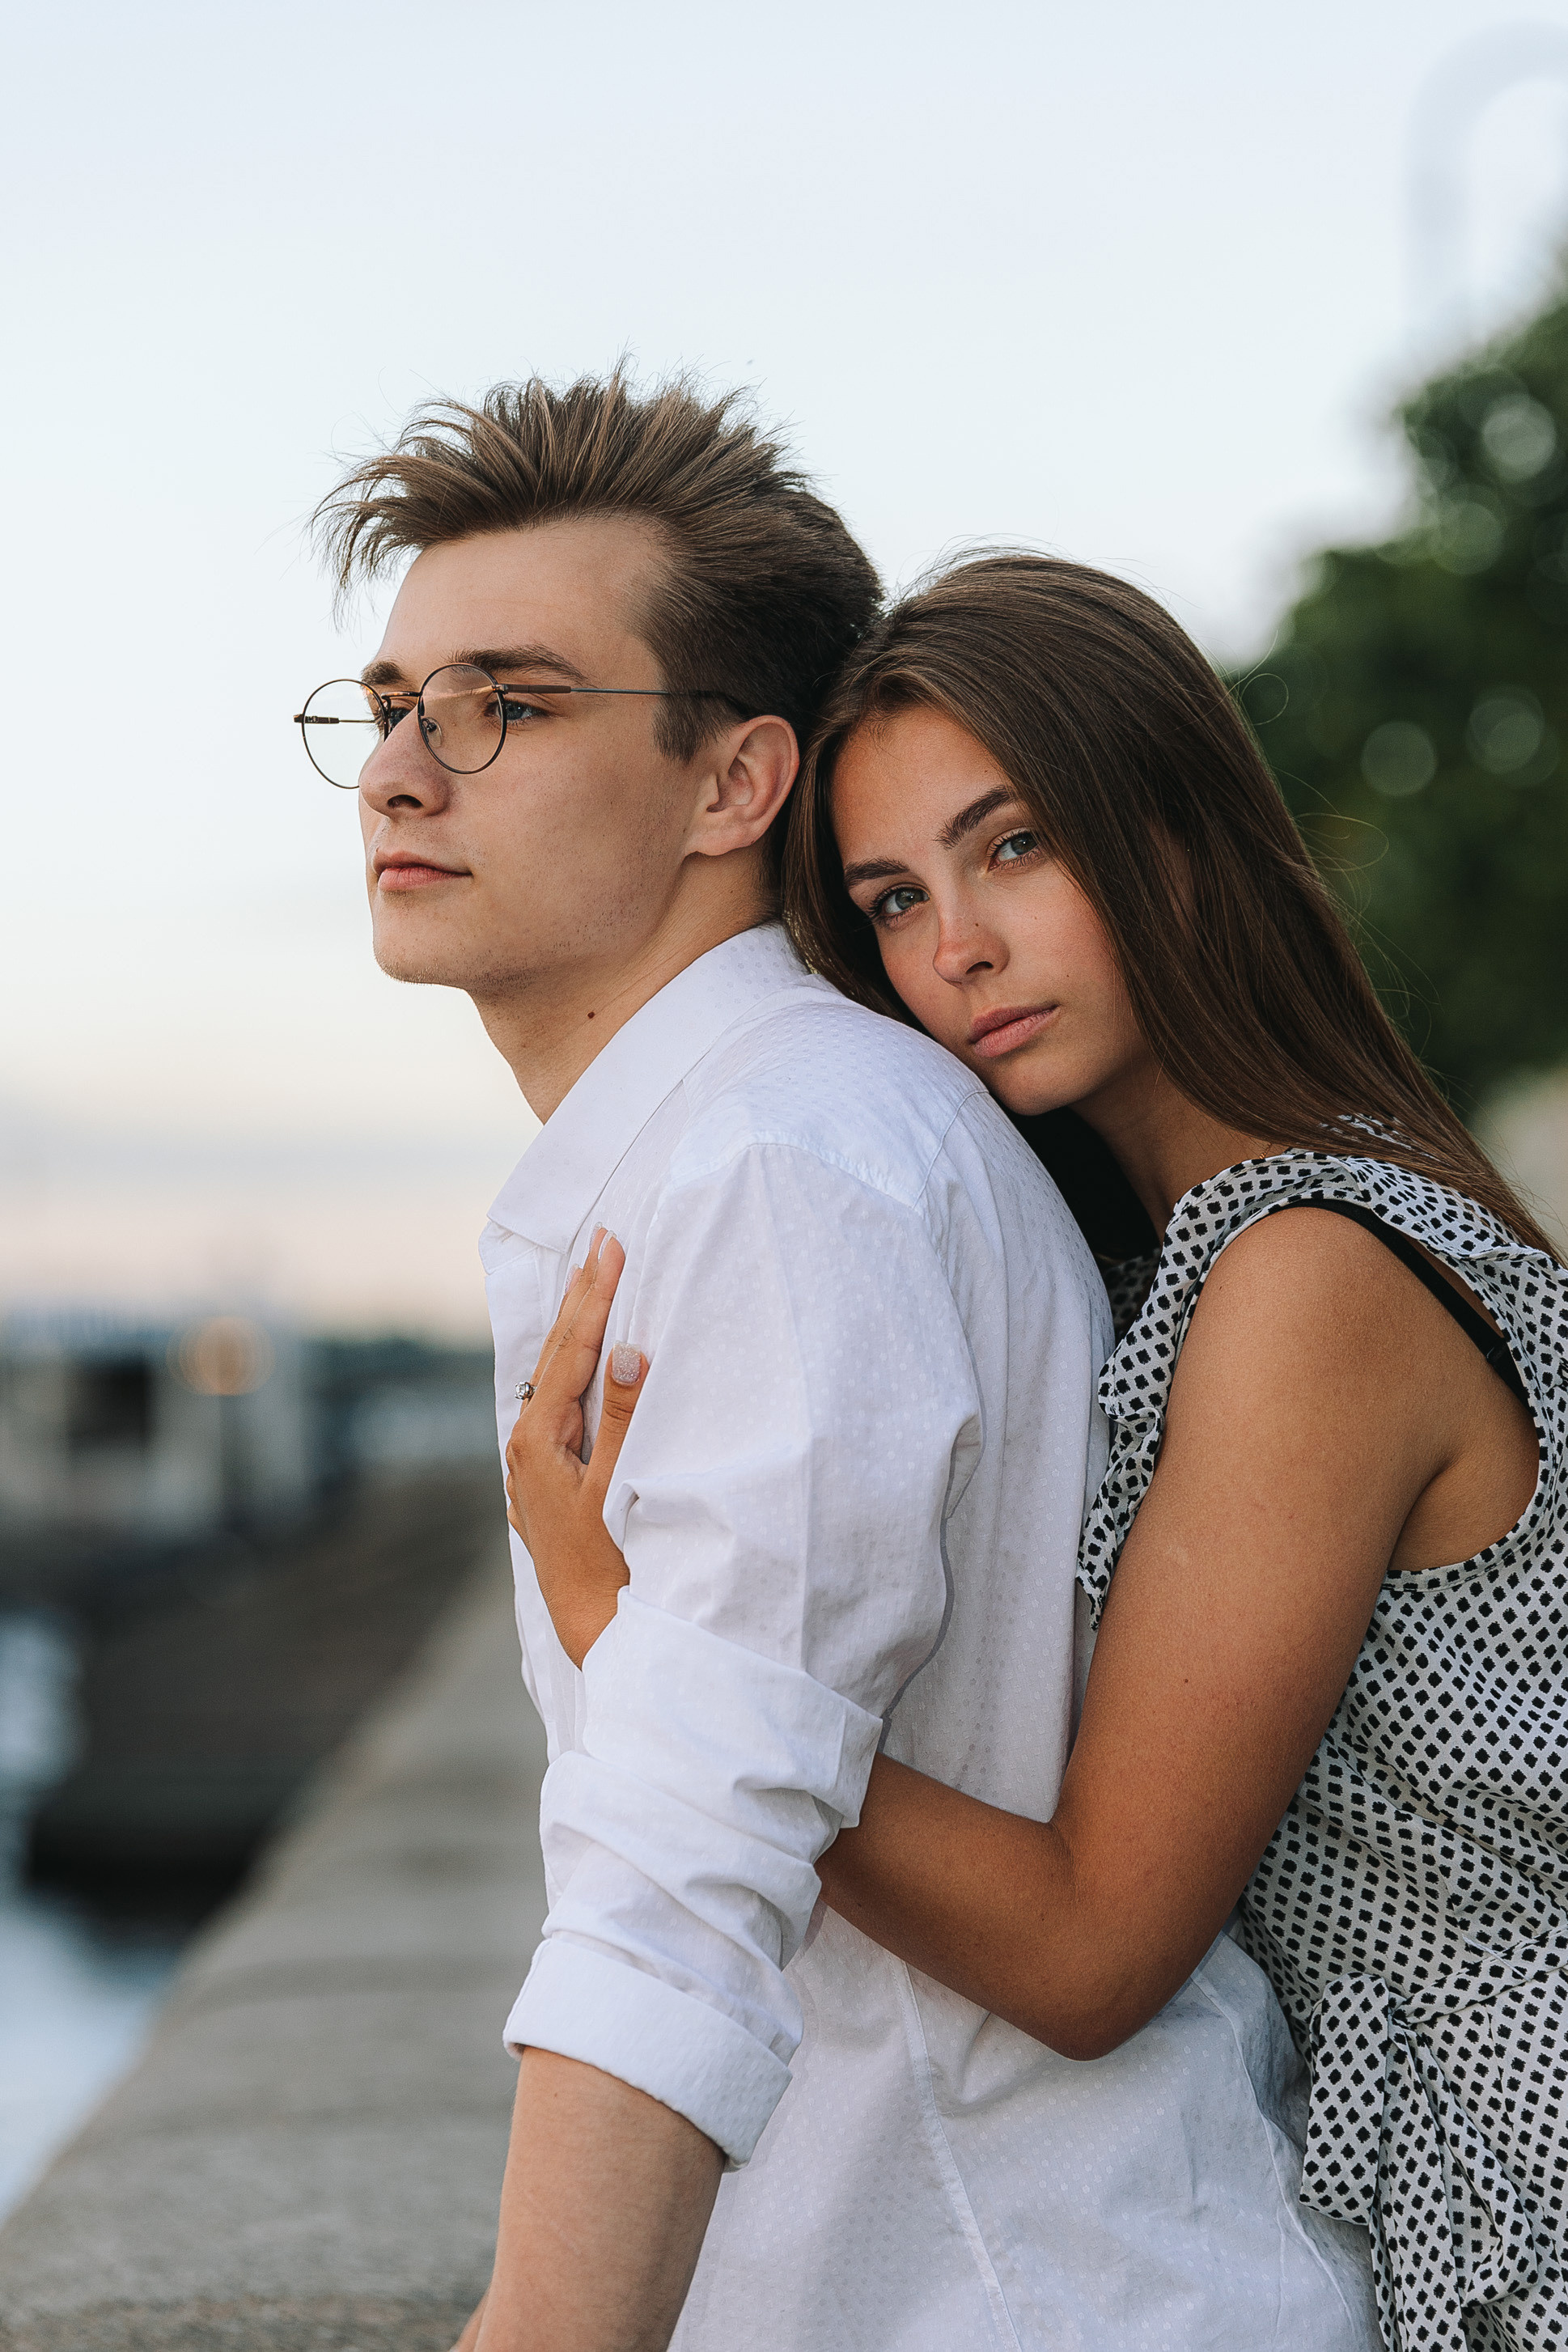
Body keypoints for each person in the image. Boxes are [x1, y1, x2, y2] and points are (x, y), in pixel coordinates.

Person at [303, 379, 1375, 2352]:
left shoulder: (782, 1161)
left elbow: (690, 1850)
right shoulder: (741, 1137)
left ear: (735, 783)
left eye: (506, 705)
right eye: (386, 707)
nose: (400, 771)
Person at [511, 550, 1568, 2352]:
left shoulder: (1307, 1277)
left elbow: (1092, 1950)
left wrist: (642, 1635)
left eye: (1016, 846)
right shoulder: (1196, 1254)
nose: (959, 948)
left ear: (1180, 828)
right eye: (895, 897)